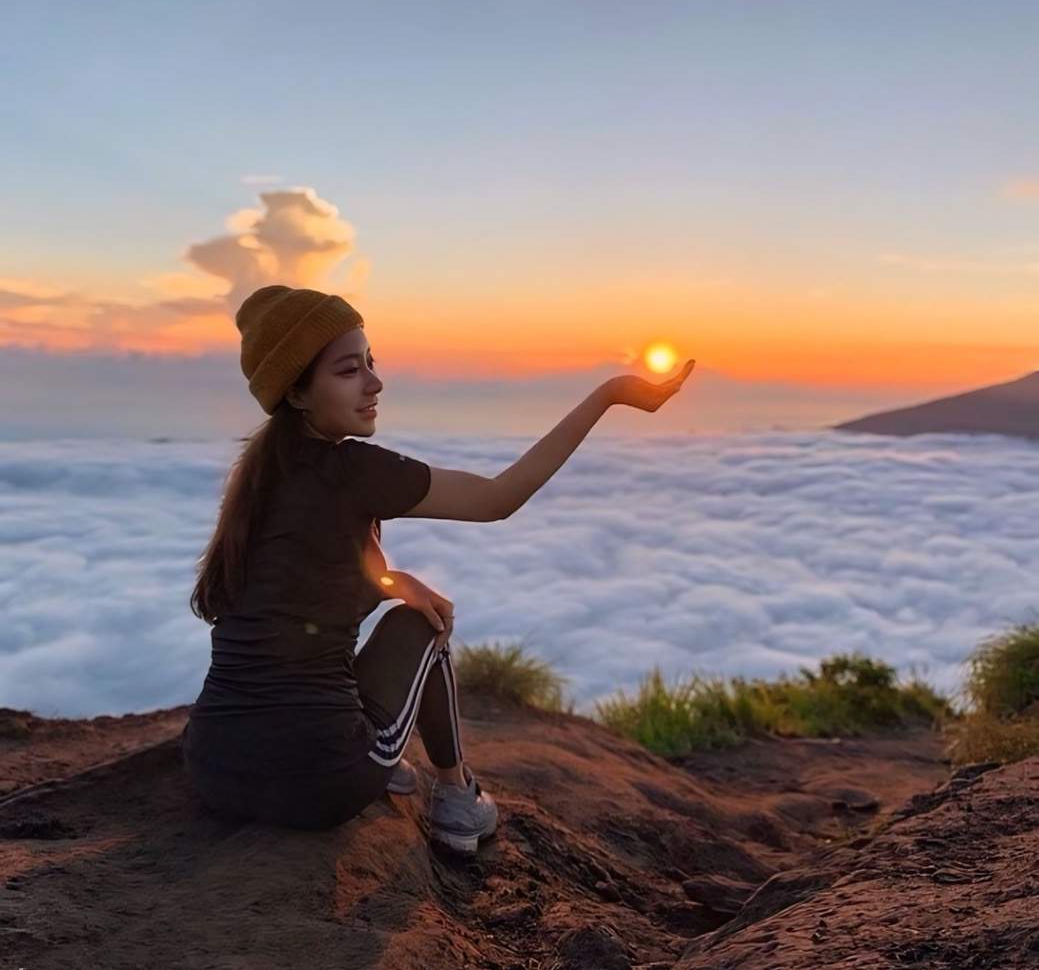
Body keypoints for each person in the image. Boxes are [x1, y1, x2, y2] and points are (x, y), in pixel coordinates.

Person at [180, 284, 695, 853]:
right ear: (298, 394)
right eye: (350, 370)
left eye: (371, 363)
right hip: (318, 782)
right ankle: (456, 799)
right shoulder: (355, 469)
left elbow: (304, 581)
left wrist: (391, 580)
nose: (375, 383)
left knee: (392, 613)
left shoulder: (256, 480)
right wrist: (610, 394)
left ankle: (383, 763)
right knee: (426, 624)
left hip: (212, 770)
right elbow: (499, 497)